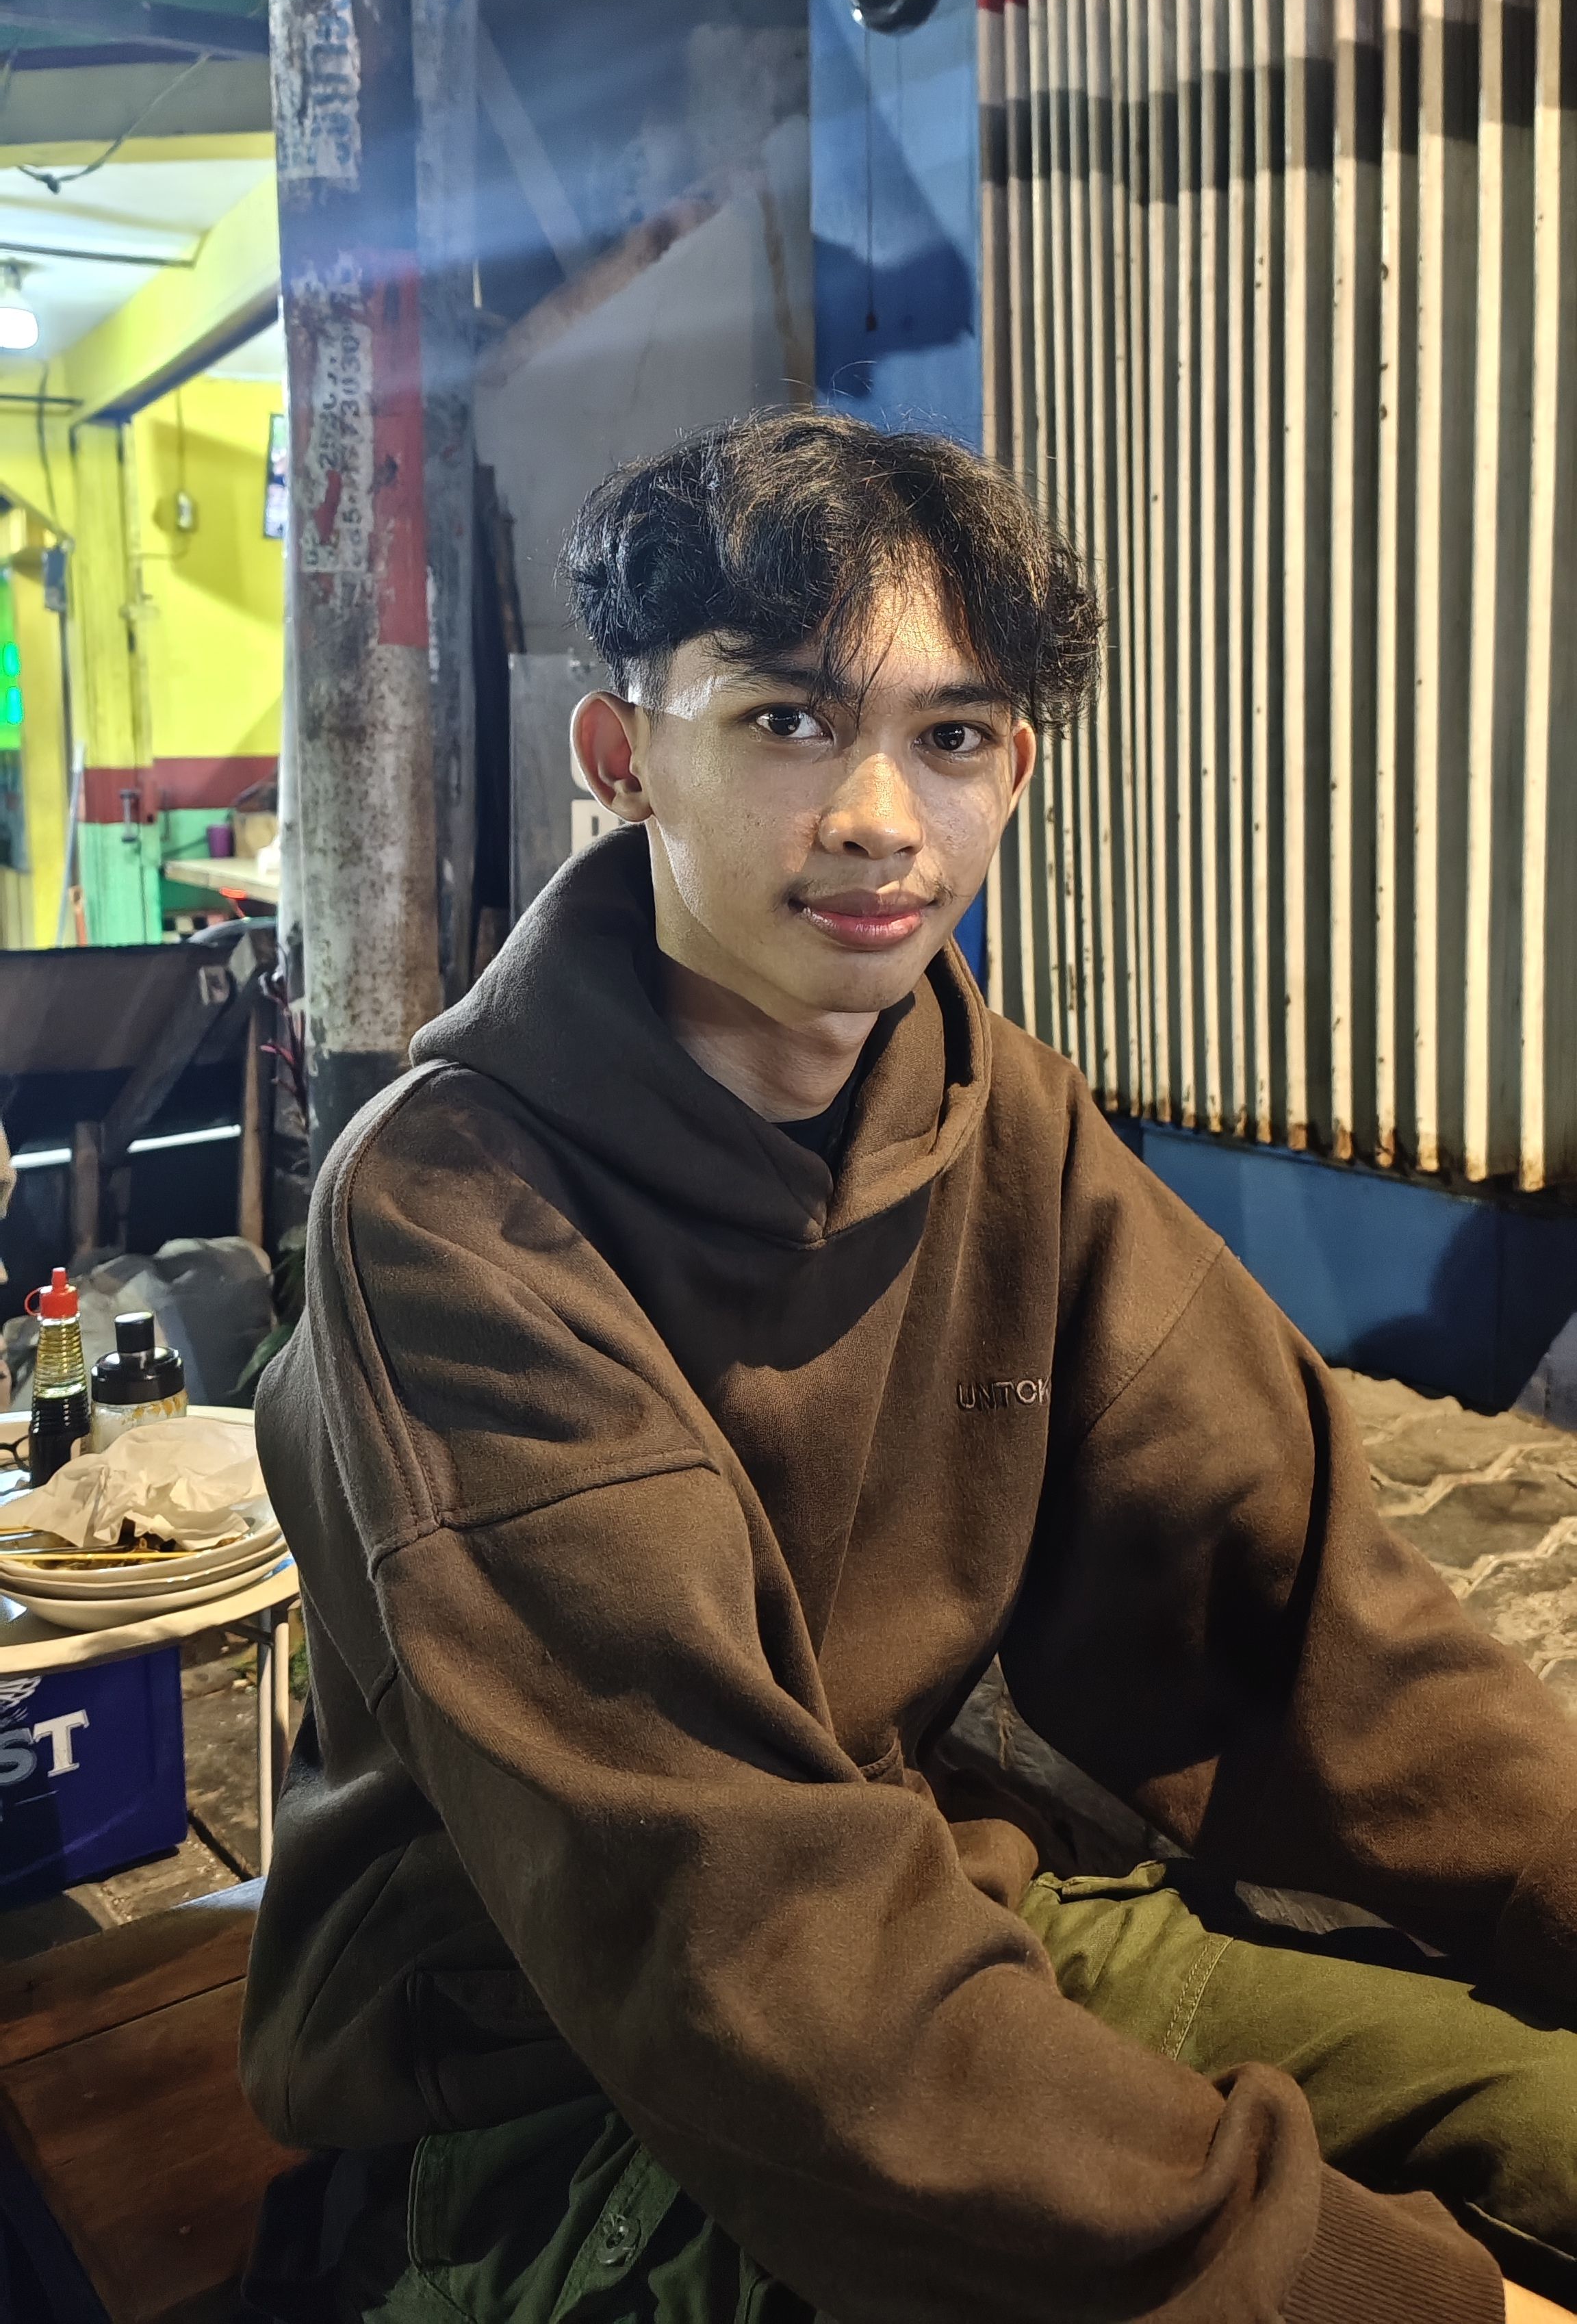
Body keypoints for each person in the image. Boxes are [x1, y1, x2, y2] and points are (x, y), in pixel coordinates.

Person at [240, 413, 1577, 2324]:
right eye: (788, 719)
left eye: (951, 735)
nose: (881, 815)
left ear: (1014, 774)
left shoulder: (997, 1115)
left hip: (934, 1923)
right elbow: (729, 1941)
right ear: (622, 759)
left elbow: (1321, 1627)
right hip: (569, 2080)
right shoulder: (449, 1215)